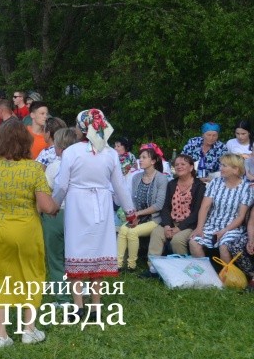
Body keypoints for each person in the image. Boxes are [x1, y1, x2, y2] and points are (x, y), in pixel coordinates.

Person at [0, 119, 57, 347]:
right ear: (25, 142)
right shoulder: (34, 169)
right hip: (25, 231)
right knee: (30, 275)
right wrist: (56, 206)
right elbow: (47, 207)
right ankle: (28, 330)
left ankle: (2, 334)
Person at [52, 109, 135, 314]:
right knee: (98, 252)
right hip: (102, 205)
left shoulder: (71, 152)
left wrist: (54, 205)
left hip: (77, 205)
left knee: (75, 250)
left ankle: (79, 306)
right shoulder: (110, 153)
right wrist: (130, 212)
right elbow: (120, 186)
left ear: (81, 128)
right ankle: (96, 306)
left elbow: (62, 185)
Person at [142, 154, 205, 276]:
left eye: (183, 164)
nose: (179, 167)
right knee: (156, 233)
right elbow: (165, 208)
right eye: (177, 165)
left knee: (177, 240)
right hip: (171, 222)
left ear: (191, 167)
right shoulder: (171, 184)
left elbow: (197, 212)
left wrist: (179, 228)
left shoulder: (199, 186)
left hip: (189, 224)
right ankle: (153, 268)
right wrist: (166, 226)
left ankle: (183, 269)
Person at [189, 153, 253, 264]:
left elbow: (241, 216)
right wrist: (199, 228)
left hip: (232, 227)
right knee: (194, 241)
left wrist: (224, 231)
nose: (220, 168)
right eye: (221, 165)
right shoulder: (215, 182)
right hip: (212, 224)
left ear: (235, 169)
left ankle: (227, 277)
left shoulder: (246, 188)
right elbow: (205, 207)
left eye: (224, 166)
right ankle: (206, 274)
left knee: (224, 245)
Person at [115, 146, 168, 273]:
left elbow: (159, 205)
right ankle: (117, 264)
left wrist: (138, 214)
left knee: (132, 232)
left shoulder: (161, 178)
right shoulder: (136, 177)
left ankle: (131, 266)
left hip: (154, 219)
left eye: (144, 157)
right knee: (123, 229)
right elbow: (132, 200)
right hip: (138, 216)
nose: (140, 160)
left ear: (153, 161)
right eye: (140, 157)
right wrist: (134, 216)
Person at [42, 128, 79, 304]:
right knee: (75, 257)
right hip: (78, 214)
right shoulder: (82, 165)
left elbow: (45, 191)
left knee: (55, 258)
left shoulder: (54, 167)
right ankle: (79, 294)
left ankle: (62, 297)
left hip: (55, 214)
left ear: (58, 147)